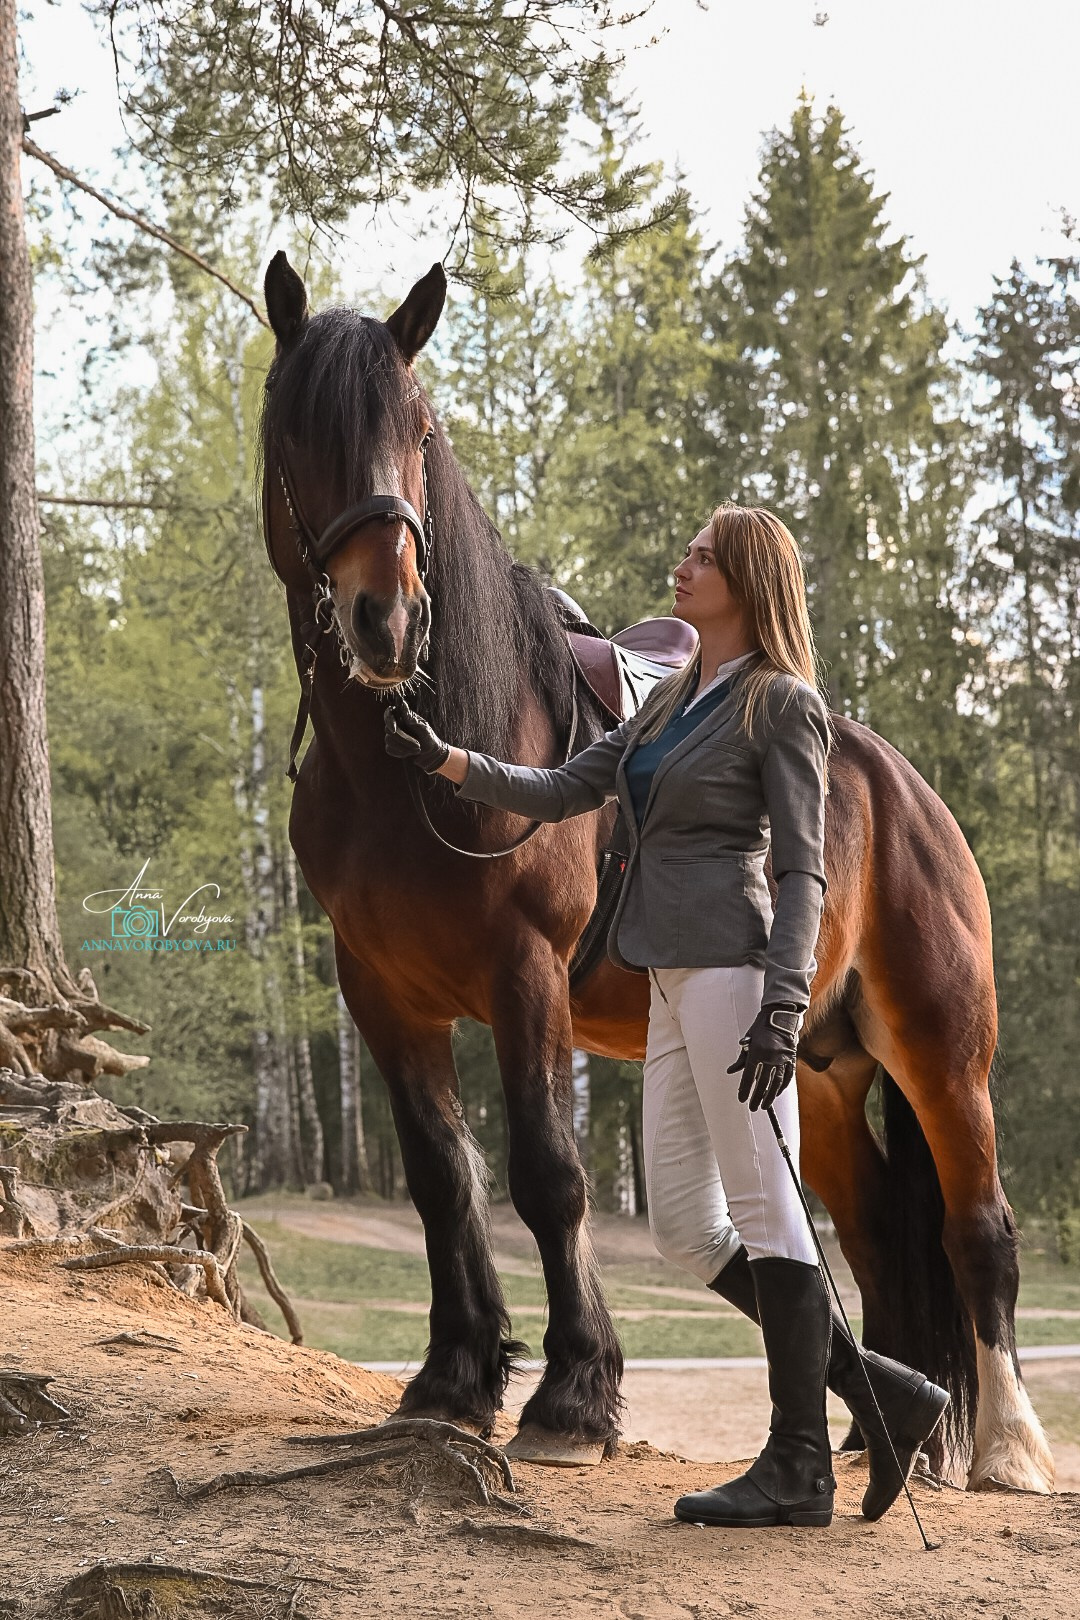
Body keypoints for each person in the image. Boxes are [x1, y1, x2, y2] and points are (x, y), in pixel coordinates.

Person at [384, 503, 949, 1529]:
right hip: (668, 983)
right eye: (688, 552)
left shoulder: (781, 705)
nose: (681, 566)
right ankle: (889, 1392)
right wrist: (450, 762)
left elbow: (803, 870)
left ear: (745, 582)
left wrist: (785, 1006)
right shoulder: (673, 704)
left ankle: (799, 1468)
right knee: (690, 1229)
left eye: (702, 556)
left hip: (740, 978)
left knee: (774, 1215)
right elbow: (562, 787)